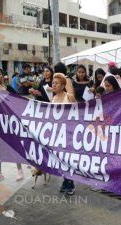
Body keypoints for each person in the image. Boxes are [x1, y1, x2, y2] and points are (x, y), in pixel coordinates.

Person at [0, 67, 23, 183]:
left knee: (14, 146)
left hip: (8, 121)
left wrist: (6, 94)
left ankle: (20, 170)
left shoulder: (9, 88)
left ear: (3, 76)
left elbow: (18, 101)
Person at [53, 62, 76, 195]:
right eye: (53, 82)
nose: (53, 85)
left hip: (69, 133)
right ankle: (65, 180)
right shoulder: (54, 99)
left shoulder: (69, 97)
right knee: (61, 158)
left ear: (63, 85)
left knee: (69, 158)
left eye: (56, 83)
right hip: (58, 134)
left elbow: (79, 113)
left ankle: (71, 182)